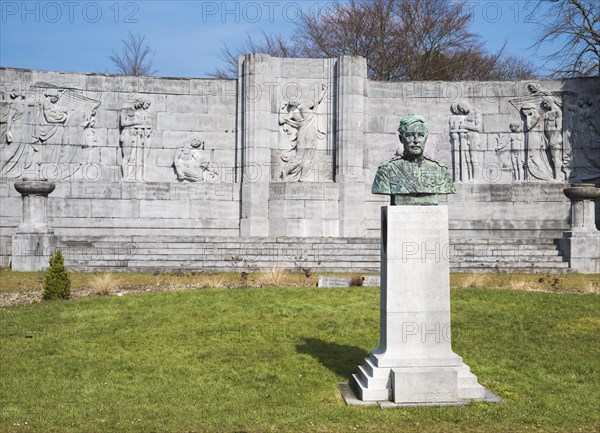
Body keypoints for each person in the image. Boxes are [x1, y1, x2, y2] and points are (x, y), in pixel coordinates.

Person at [372, 114, 455, 205]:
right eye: (410, 135)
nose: (416, 140)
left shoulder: (440, 170)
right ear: (401, 139)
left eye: (420, 135)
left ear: (425, 138)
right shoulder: (387, 170)